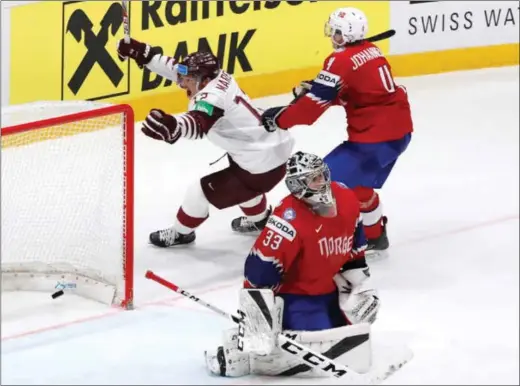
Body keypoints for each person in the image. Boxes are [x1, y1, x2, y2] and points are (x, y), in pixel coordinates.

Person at [204, 151, 380, 377]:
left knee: (352, 330)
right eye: (313, 179)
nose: (322, 182)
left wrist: (361, 288)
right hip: (297, 297)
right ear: (297, 186)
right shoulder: (287, 221)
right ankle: (237, 354)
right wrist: (258, 324)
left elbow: (355, 251)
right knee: (315, 348)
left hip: (329, 289)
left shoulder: (346, 198)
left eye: (322, 175)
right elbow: (259, 270)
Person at [260, 7, 413, 256]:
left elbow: (310, 110)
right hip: (398, 134)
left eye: (336, 32)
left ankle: (309, 247)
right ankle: (374, 236)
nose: (332, 35)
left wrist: (280, 119)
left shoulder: (339, 60)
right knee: (360, 185)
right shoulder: (371, 51)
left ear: (345, 34)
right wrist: (320, 88)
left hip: (373, 140)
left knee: (318, 184)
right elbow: (357, 94)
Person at [116, 40, 294, 247]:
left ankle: (181, 233)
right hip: (266, 151)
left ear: (203, 80)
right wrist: (145, 55)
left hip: (260, 163)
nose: (182, 82)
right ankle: (260, 220)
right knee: (244, 186)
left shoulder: (213, 97)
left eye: (188, 79)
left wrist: (175, 126)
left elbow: (199, 122)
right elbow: (179, 70)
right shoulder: (215, 76)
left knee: (198, 193)